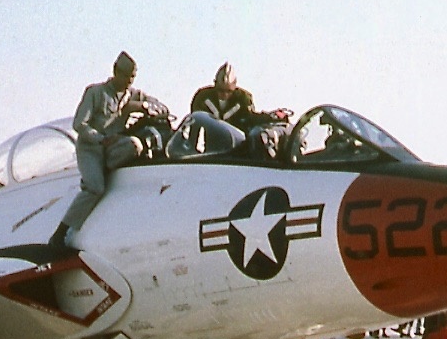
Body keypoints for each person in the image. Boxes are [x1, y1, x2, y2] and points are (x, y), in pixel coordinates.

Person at [49, 52, 169, 250]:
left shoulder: (133, 95)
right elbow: (80, 124)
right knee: (95, 188)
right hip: (92, 148)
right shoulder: (95, 93)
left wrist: (144, 107)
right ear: (115, 72)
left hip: (115, 145)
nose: (129, 81)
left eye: (132, 77)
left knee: (135, 145)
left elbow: (160, 107)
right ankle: (61, 232)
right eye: (126, 76)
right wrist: (101, 138)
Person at [187, 63, 292, 160]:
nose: (224, 95)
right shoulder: (202, 97)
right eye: (220, 90)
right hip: (211, 152)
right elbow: (193, 127)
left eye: (228, 91)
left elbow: (252, 120)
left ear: (235, 85)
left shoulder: (243, 99)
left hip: (237, 154)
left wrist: (271, 117)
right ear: (215, 84)